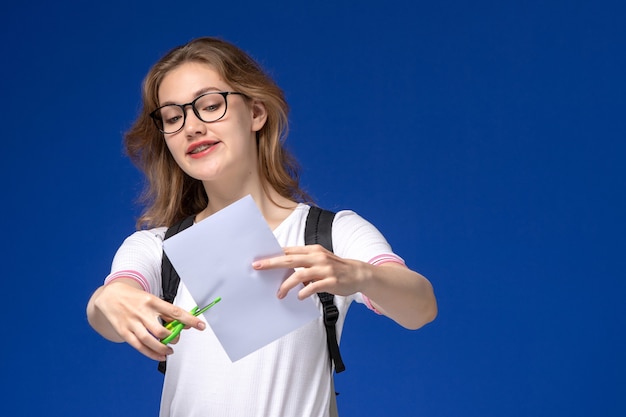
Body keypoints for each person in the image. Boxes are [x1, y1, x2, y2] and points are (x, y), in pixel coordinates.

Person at [86, 36, 437, 417]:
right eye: (173, 117)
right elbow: (108, 314)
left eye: (209, 106)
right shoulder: (158, 248)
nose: (191, 127)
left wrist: (360, 275)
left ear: (256, 113)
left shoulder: (330, 234)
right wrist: (108, 299)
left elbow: (420, 308)